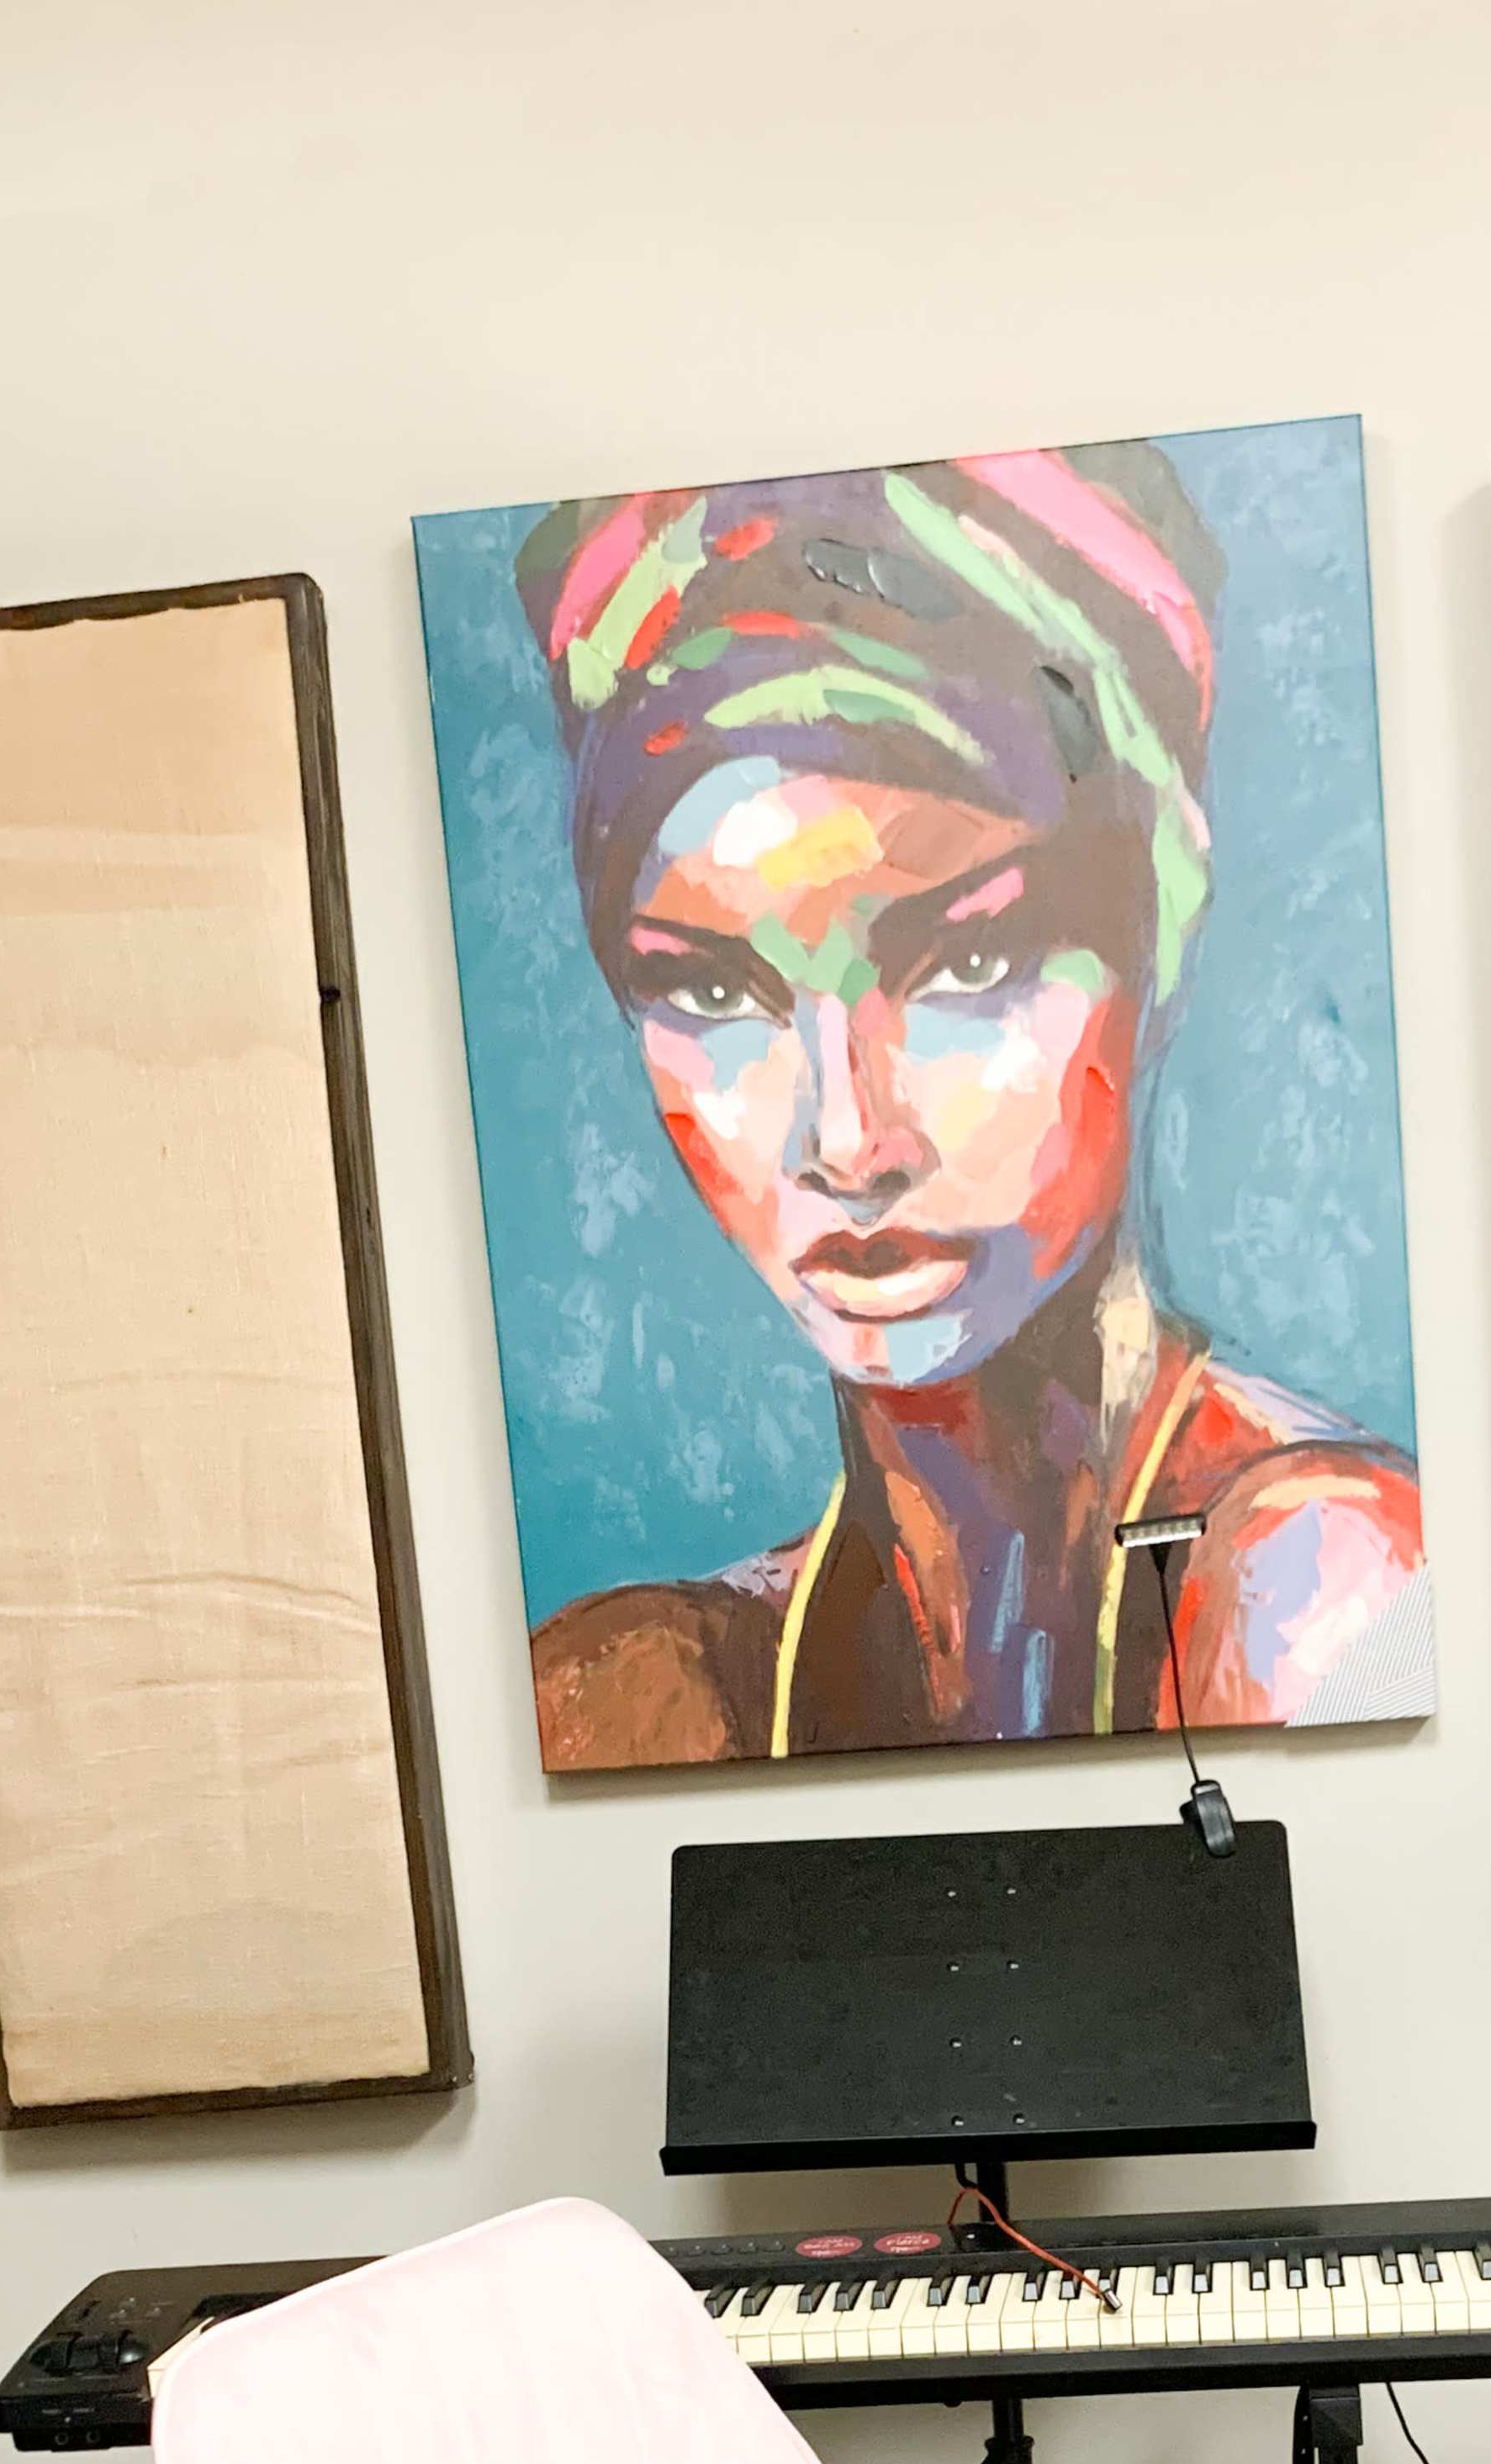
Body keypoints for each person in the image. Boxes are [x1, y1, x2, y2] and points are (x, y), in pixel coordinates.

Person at [510, 443, 1428, 1770]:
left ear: (1156, 934)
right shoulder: (645, 1694)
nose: (848, 1139)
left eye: (969, 966)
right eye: (714, 993)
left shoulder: (1326, 1586)